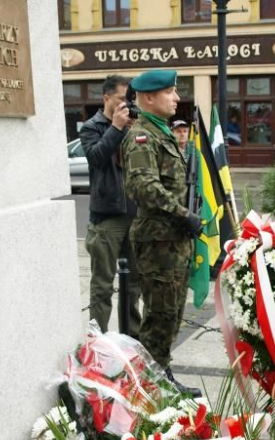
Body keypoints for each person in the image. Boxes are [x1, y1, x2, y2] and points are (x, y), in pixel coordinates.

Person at [121, 70, 202, 397]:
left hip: (173, 240)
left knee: (171, 314)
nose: (177, 98)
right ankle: (150, 389)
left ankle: (161, 377)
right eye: (170, 92)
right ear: (149, 97)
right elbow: (143, 187)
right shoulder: (142, 136)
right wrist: (184, 215)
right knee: (159, 317)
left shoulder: (161, 133)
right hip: (158, 242)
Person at [79, 75, 142, 335]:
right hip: (107, 218)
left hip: (135, 214)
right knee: (102, 286)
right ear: (106, 98)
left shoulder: (133, 124)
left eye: (129, 99)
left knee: (134, 285)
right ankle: (99, 343)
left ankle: (132, 340)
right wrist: (115, 128)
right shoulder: (91, 127)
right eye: (121, 99)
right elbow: (95, 158)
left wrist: (134, 130)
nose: (126, 104)